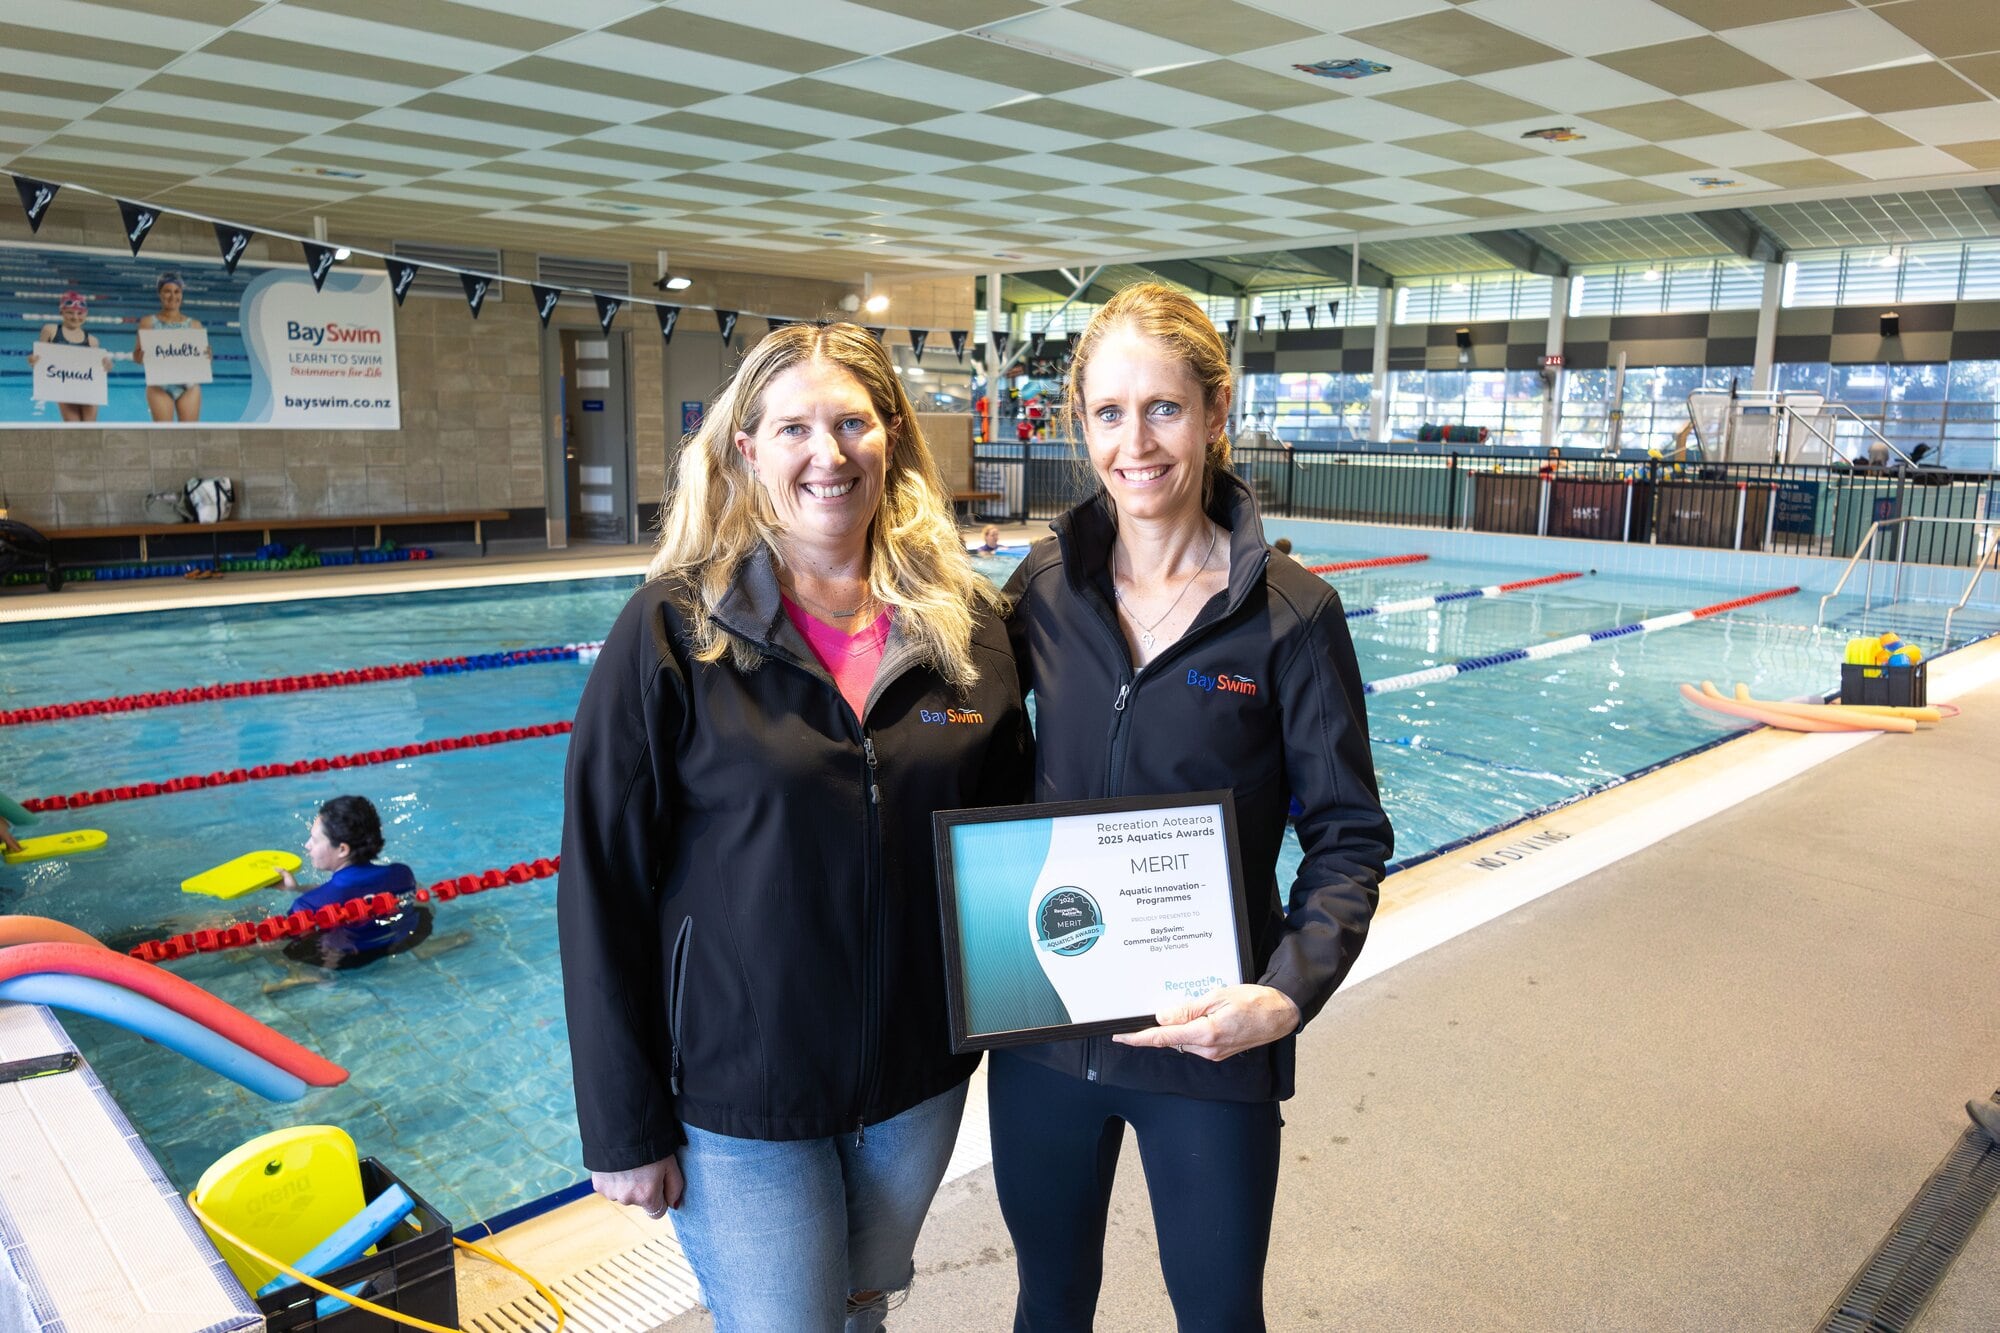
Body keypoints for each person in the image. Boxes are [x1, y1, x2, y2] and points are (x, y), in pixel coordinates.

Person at [558, 322, 1032, 1333]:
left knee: (861, 1313)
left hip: (915, 1084)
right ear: (747, 448)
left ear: (891, 438)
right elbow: (600, 882)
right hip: (742, 1100)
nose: (828, 453)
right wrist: (620, 1119)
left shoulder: (966, 629)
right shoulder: (670, 633)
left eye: (852, 422)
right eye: (793, 428)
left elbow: (1014, 844)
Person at [996, 283, 1393, 1331]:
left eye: (1164, 408)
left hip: (1206, 1044)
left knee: (1218, 1315)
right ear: (1080, 423)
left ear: (1217, 412)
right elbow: (964, 768)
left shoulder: (1290, 615)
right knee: (1048, 1303)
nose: (1137, 443)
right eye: (1109, 412)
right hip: (1045, 1034)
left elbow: (1346, 834)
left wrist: (1284, 994)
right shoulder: (1041, 589)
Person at [266, 795, 452, 991]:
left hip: (349, 960)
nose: (307, 845)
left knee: (275, 945)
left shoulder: (306, 905)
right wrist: (296, 888)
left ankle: (307, 976)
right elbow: (350, 894)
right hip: (407, 940)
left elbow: (334, 898)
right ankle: (424, 949)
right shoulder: (401, 873)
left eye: (314, 839)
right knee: (419, 905)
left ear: (342, 849)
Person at [132, 270, 208, 423]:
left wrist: (207, 357)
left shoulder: (195, 325)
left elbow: (202, 361)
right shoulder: (148, 322)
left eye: (177, 291)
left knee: (189, 435)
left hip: (188, 386)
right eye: (167, 291)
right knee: (163, 435)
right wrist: (140, 357)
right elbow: (137, 357)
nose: (173, 296)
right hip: (159, 386)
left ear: (182, 294)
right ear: (159, 293)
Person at [27, 292, 112, 423]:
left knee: (89, 429)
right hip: (64, 388)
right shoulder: (51, 330)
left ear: (86, 314)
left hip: (88, 390)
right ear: (62, 312)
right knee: (73, 427)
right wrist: (32, 360)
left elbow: (97, 370)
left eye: (80, 313)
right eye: (70, 312)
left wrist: (106, 365)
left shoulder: (92, 341)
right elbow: (38, 362)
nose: (75, 317)